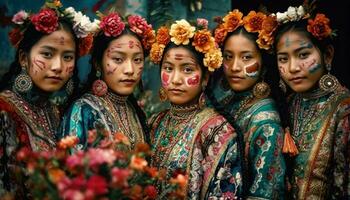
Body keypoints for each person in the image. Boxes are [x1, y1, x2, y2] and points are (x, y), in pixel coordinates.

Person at [0, 1, 95, 197]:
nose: (58, 66)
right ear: (24, 58)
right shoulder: (4, 110)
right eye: (47, 54)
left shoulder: (57, 112)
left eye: (67, 57)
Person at [149, 19, 242, 199]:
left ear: (205, 78)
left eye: (187, 70)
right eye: (168, 68)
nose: (175, 79)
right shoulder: (155, 122)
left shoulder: (217, 131)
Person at [208, 9, 286, 199]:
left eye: (246, 57)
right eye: (228, 56)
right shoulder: (231, 100)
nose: (234, 67)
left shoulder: (266, 123)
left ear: (264, 62)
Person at [273, 5, 350, 199]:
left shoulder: (343, 109)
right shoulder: (286, 105)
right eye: (283, 58)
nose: (292, 67)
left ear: (327, 55)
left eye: (303, 55)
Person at [60, 13, 153, 150]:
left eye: (137, 60)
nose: (129, 70)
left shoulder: (133, 110)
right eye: (118, 59)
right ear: (98, 64)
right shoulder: (84, 110)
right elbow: (73, 166)